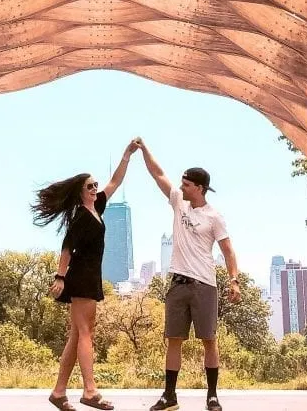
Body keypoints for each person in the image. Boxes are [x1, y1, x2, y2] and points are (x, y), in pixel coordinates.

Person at [134, 138, 241, 411]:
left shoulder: (214, 216)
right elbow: (158, 174)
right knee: (174, 340)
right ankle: (170, 396)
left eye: (186, 184)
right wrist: (145, 150)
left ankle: (212, 396)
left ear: (200, 188)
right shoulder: (179, 202)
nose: (181, 187)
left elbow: (228, 251)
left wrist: (234, 280)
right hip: (177, 284)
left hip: (205, 285)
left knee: (209, 340)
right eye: (181, 183)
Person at [31, 141, 139, 410]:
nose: (95, 189)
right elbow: (67, 247)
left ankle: (58, 392)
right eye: (90, 186)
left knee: (78, 335)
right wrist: (59, 277)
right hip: (80, 277)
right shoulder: (81, 216)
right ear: (81, 193)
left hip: (90, 276)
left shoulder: (97, 208)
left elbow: (114, 181)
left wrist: (126, 155)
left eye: (95, 185)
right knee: (84, 332)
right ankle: (90, 391)